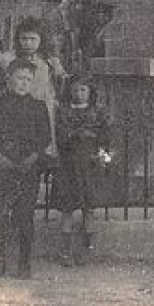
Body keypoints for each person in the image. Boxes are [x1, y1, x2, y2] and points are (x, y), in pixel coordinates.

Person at [0, 58, 51, 278]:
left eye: (29, 80)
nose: (24, 83)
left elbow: (45, 137)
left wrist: (33, 157)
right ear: (9, 79)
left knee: (24, 215)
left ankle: (24, 262)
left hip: (27, 169)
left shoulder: (38, 107)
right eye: (20, 78)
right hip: (1, 167)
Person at [52, 76, 112, 265]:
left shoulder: (98, 113)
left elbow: (107, 139)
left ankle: (88, 249)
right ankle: (66, 250)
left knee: (89, 209)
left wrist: (103, 159)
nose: (79, 94)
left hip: (90, 166)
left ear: (90, 92)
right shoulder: (63, 112)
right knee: (67, 209)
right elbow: (61, 137)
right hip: (69, 166)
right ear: (70, 91)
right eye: (76, 90)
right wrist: (76, 134)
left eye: (83, 90)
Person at [0, 17, 67, 148]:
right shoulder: (6, 59)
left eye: (33, 39)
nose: (28, 43)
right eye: (24, 39)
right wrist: (4, 101)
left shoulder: (49, 61)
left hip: (43, 110)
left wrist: (56, 98)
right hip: (15, 108)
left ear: (41, 40)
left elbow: (62, 82)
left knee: (42, 145)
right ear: (18, 40)